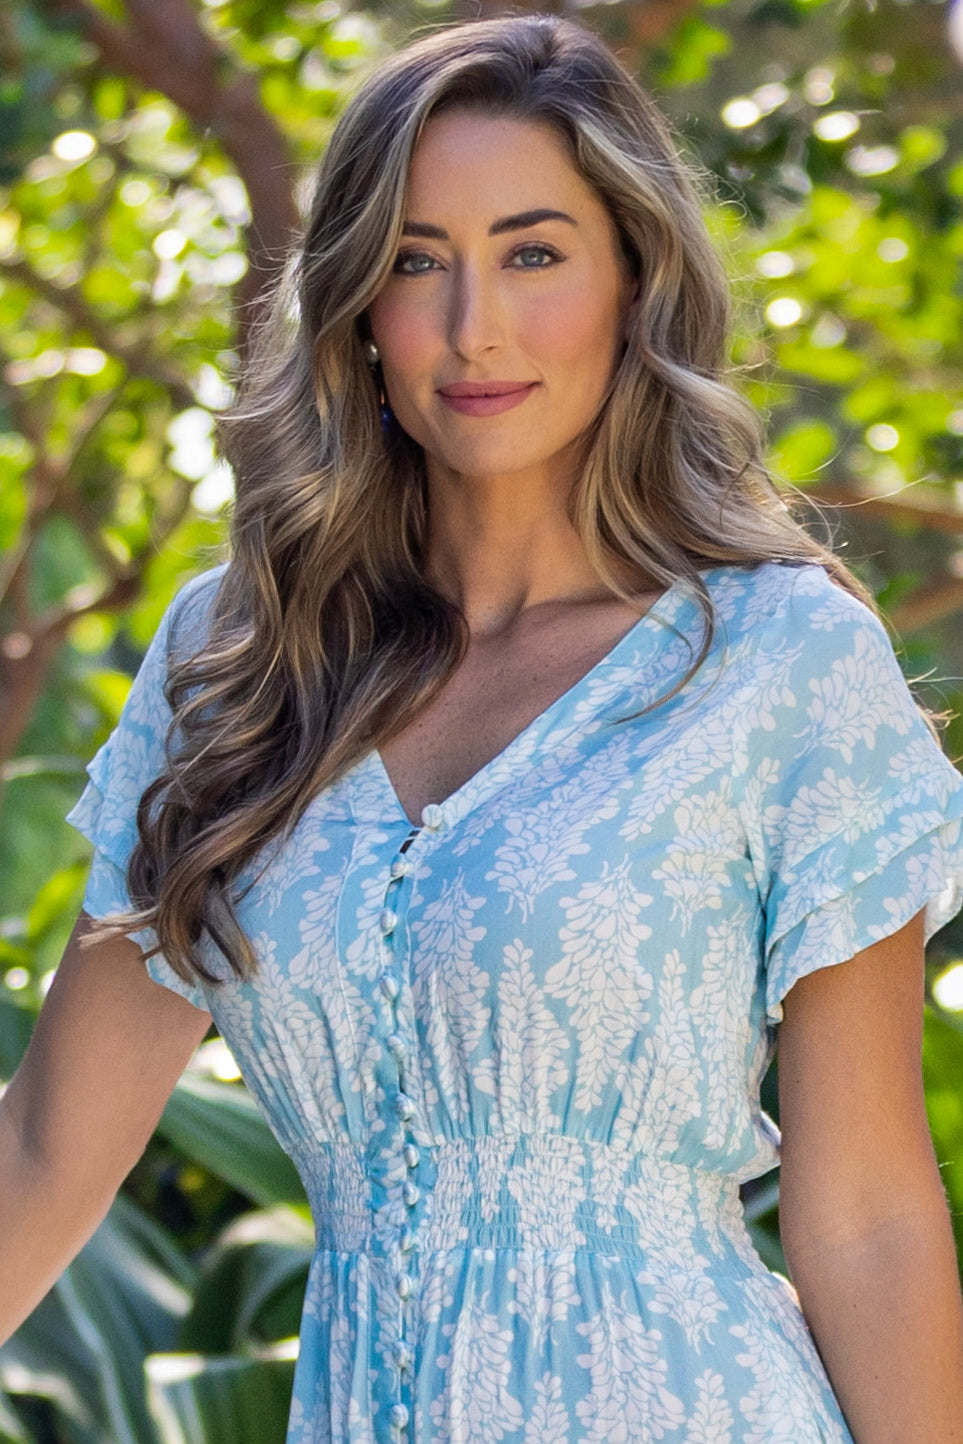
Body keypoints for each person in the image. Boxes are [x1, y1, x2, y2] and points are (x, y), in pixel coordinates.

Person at [2, 13, 963, 1442]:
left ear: (634, 279)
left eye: (533, 254)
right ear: (356, 307)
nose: (475, 329)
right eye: (415, 261)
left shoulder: (778, 660)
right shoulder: (241, 662)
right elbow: (42, 1150)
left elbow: (868, 1213)